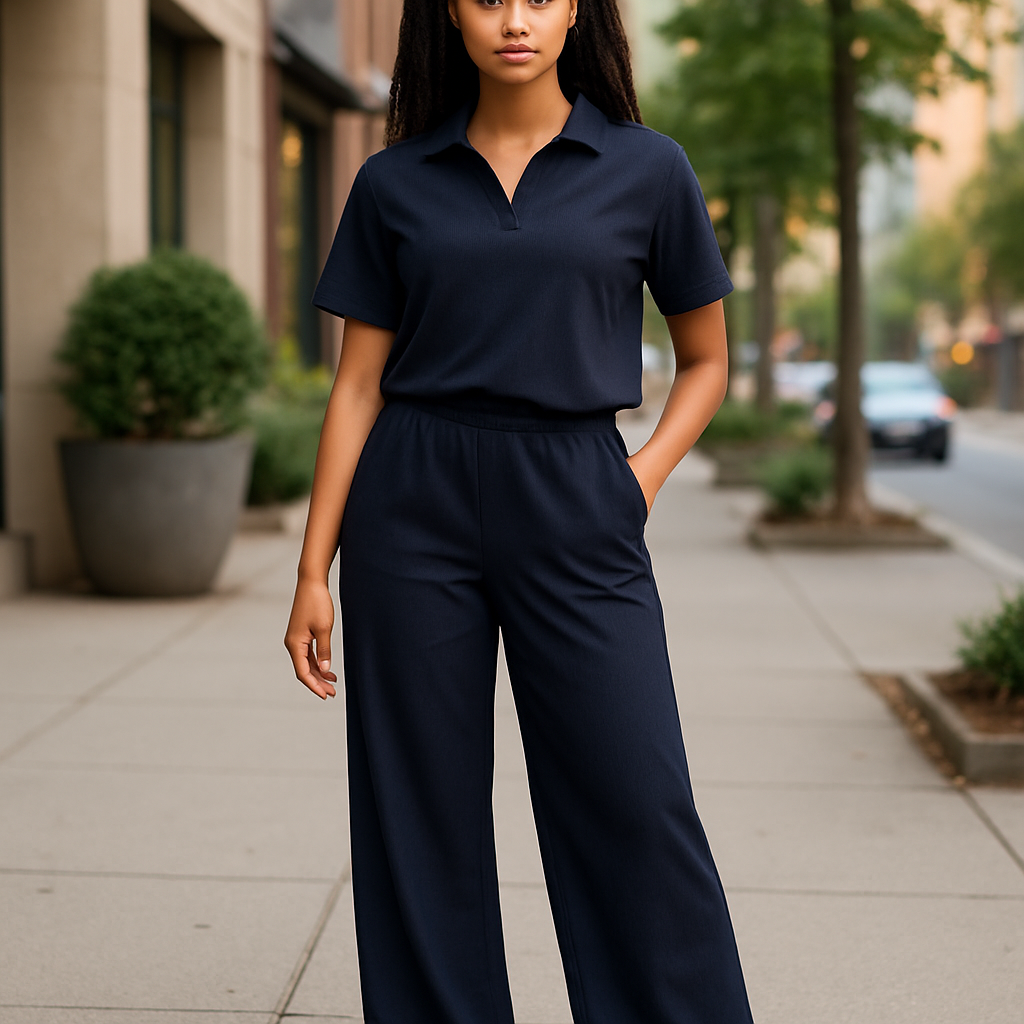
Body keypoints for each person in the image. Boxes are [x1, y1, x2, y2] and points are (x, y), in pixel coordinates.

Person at [284, 1, 755, 1021]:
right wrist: (312, 570)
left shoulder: (646, 167)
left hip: (577, 496)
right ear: (448, 11)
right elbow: (357, 386)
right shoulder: (394, 179)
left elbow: (707, 360)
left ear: (575, 8)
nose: (513, 19)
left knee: (635, 797)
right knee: (418, 812)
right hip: (411, 504)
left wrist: (640, 477)